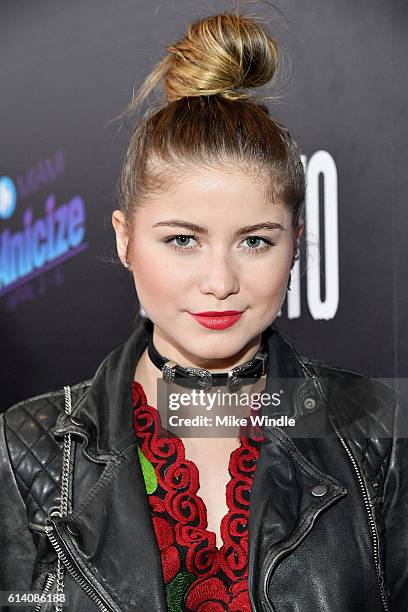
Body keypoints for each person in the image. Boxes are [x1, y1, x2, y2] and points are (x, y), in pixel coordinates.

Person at [0, 10, 407, 612]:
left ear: (297, 241)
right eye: (183, 240)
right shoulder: (27, 452)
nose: (220, 282)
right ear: (124, 239)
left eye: (255, 241)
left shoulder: (375, 428)